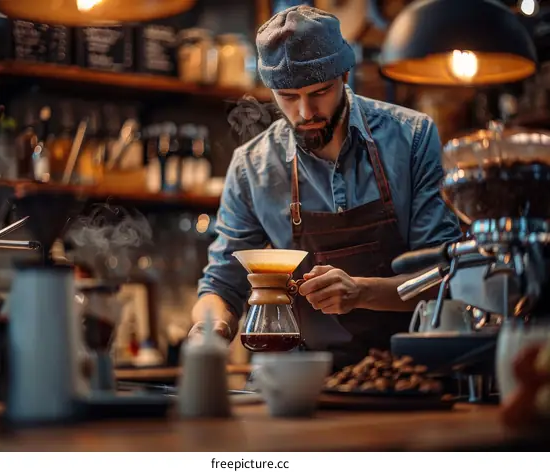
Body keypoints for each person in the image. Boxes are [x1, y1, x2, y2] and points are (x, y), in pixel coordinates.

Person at [189, 6, 462, 368]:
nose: (305, 112)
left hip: (407, 370)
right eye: (288, 96)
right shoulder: (251, 168)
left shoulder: (411, 138)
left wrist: (362, 292)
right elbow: (222, 285)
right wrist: (212, 327)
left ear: (344, 75)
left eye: (320, 91)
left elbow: (444, 278)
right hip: (299, 374)